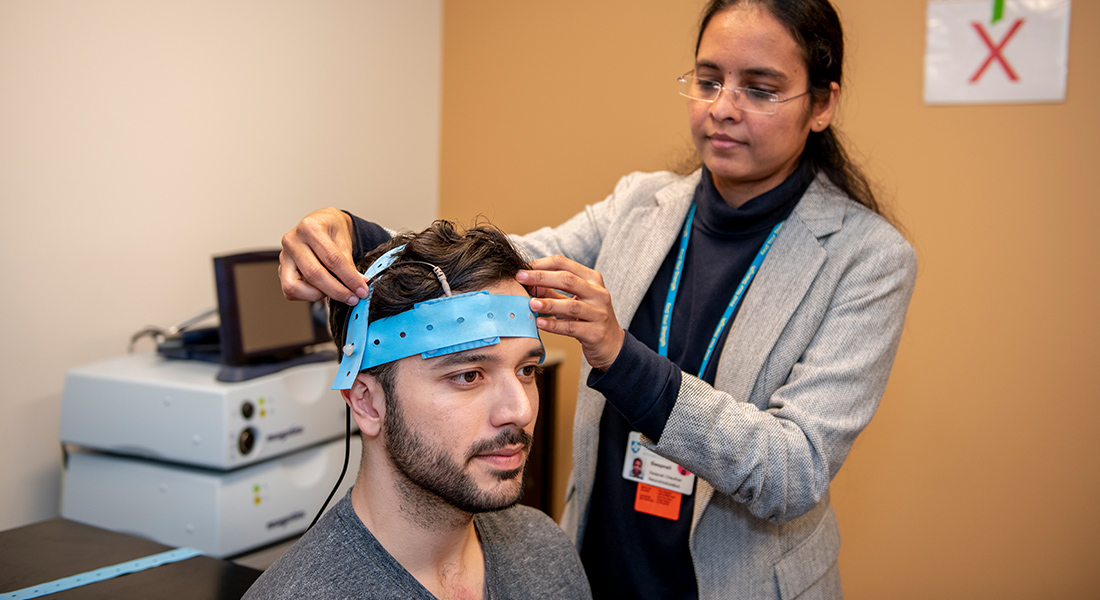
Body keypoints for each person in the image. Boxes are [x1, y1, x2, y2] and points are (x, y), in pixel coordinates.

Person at [277, 1, 917, 598]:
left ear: (823, 103)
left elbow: (792, 470)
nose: (724, 106)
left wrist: (619, 354)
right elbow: (503, 264)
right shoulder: (644, 204)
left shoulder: (868, 259)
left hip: (733, 580)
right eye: (709, 78)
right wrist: (354, 234)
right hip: (595, 558)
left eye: (761, 87)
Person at [244, 221, 592, 600]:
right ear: (366, 402)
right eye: (469, 376)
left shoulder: (545, 551)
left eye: (526, 370)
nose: (520, 410)